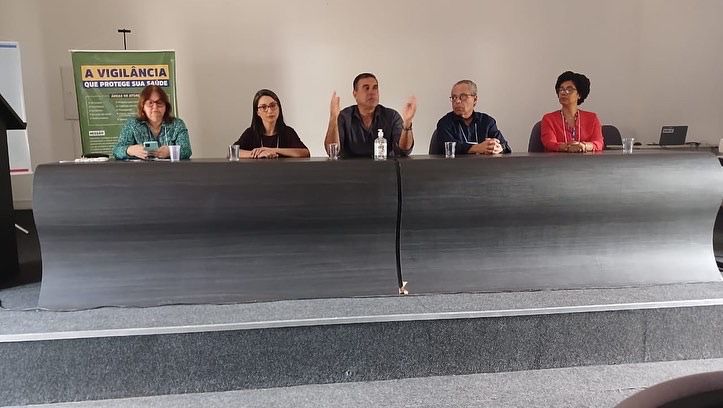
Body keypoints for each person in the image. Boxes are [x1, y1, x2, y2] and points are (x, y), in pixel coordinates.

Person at [324, 73, 416, 158]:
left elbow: (404, 151)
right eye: (366, 88)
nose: (372, 92)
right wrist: (333, 118)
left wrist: (407, 123)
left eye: (375, 88)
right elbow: (332, 151)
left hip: (385, 169)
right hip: (351, 169)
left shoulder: (391, 116)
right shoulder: (344, 117)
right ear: (355, 94)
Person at [113, 85, 192, 160]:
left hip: (170, 169)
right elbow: (116, 151)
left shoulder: (177, 124)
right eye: (150, 103)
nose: (155, 107)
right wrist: (130, 150)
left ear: (166, 106)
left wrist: (170, 152)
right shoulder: (132, 124)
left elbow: (187, 151)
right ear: (143, 107)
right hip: (140, 169)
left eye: (159, 103)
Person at [435, 80, 511, 155]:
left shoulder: (487, 121)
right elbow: (446, 147)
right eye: (454, 97)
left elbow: (506, 147)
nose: (457, 101)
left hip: (484, 163)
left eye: (463, 96)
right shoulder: (445, 123)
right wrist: (477, 148)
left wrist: (499, 147)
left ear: (475, 99)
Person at [233, 89, 310, 159]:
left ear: (279, 108)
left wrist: (271, 150)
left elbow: (305, 153)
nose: (269, 111)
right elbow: (232, 152)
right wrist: (258, 153)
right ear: (257, 112)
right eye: (263, 107)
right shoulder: (251, 132)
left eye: (273, 105)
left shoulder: (288, 132)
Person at [540, 71, 603, 153]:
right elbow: (549, 143)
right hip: (557, 161)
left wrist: (583, 146)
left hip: (586, 161)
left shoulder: (592, 118)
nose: (563, 93)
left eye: (569, 89)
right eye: (561, 89)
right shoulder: (548, 119)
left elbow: (598, 143)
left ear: (579, 95)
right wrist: (567, 147)